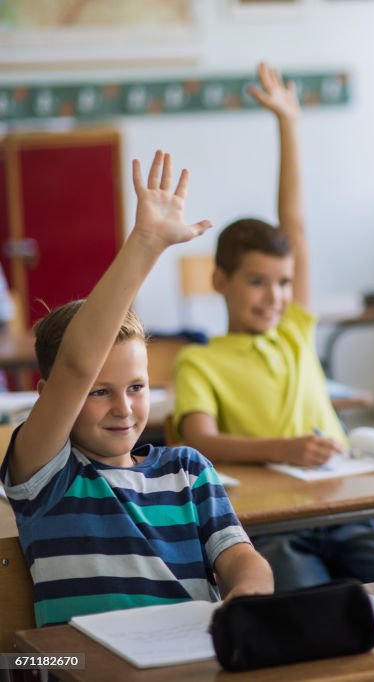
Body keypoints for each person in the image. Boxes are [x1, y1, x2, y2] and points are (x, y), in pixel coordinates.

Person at [0, 151, 273, 626]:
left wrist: (248, 591)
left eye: (137, 387)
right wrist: (145, 243)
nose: (123, 408)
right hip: (82, 668)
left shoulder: (188, 470)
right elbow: (76, 364)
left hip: (187, 658)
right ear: (49, 394)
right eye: (98, 392)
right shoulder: (46, 474)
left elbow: (241, 558)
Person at [174, 62, 374, 589]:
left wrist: (288, 124)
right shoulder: (200, 360)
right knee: (305, 598)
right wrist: (283, 447)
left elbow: (293, 226)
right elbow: (201, 439)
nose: (274, 296)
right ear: (220, 281)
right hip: (271, 526)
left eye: (282, 283)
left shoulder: (294, 329)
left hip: (342, 511)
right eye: (257, 282)